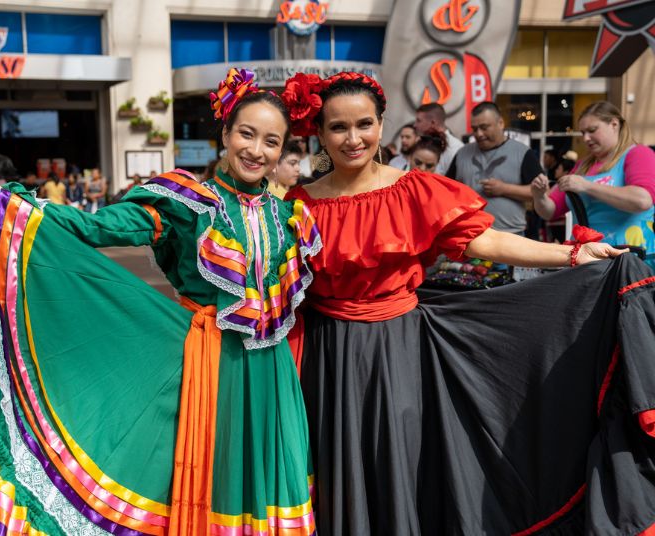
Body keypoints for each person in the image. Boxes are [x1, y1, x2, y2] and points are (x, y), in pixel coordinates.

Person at [0, 68, 320, 535]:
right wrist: (15, 209)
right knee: (190, 475)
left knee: (267, 478)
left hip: (272, 376)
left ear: (285, 150)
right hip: (205, 367)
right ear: (224, 132)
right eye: (246, 134)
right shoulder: (188, 200)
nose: (256, 150)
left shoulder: (293, 217)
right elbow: (102, 227)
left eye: (271, 141)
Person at [281, 71, 655, 535]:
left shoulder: (414, 189)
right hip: (326, 356)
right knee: (337, 462)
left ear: (382, 124)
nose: (352, 138)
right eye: (338, 127)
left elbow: (485, 241)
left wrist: (573, 254)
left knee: (398, 459)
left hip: (397, 351)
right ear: (318, 133)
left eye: (364, 124)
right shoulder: (297, 205)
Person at [532, 101, 655, 269]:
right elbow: (550, 211)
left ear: (614, 124)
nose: (586, 138)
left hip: (630, 260)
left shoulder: (638, 154)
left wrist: (587, 186)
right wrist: (539, 196)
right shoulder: (582, 166)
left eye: (592, 130)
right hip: (589, 261)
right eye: (583, 133)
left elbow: (642, 200)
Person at [446, 101, 543, 236]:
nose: (479, 134)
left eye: (484, 127)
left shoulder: (522, 152)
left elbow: (542, 193)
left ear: (501, 123)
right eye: (474, 129)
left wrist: (504, 189)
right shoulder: (462, 153)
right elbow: (447, 190)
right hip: (469, 236)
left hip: (510, 235)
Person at [414, 102, 463, 174]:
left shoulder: (455, 148)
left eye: (419, 121)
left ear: (433, 122)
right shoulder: (420, 142)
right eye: (418, 162)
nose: (415, 125)